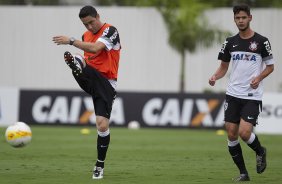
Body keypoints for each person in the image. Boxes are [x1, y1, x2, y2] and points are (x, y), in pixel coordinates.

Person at [52, 5, 121, 179]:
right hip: (90, 79)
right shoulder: (85, 36)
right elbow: (90, 54)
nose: (89, 27)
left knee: (102, 125)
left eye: (91, 22)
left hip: (107, 83)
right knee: (81, 62)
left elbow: (96, 49)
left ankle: (99, 165)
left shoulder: (110, 31)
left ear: (98, 16)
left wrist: (71, 40)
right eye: (85, 25)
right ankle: (77, 64)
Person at [208, 4, 274, 182]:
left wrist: (258, 78)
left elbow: (270, 67)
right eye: (237, 18)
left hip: (251, 96)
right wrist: (215, 76)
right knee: (231, 134)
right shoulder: (230, 42)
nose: (241, 21)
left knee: (244, 133)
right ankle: (244, 173)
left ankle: (260, 151)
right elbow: (223, 67)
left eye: (244, 17)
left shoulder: (261, 41)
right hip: (233, 94)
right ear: (234, 19)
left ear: (250, 18)